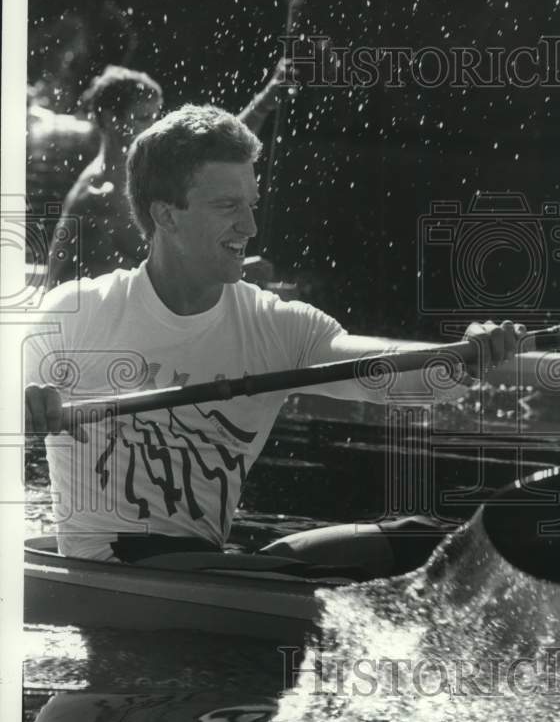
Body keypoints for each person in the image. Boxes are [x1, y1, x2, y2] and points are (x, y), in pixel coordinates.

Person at [25, 104, 524, 571]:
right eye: (227, 206)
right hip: (109, 568)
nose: (250, 225)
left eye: (251, 204)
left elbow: (386, 378)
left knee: (428, 539)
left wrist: (465, 358)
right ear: (166, 215)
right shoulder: (77, 314)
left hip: (208, 566)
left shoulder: (277, 327)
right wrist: (22, 406)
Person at [46, 61, 297, 286]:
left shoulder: (133, 172)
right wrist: (240, 271)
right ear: (112, 119)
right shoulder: (103, 193)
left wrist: (265, 102)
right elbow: (171, 266)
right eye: (144, 118)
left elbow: (213, 148)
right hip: (82, 332)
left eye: (157, 117)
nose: (155, 127)